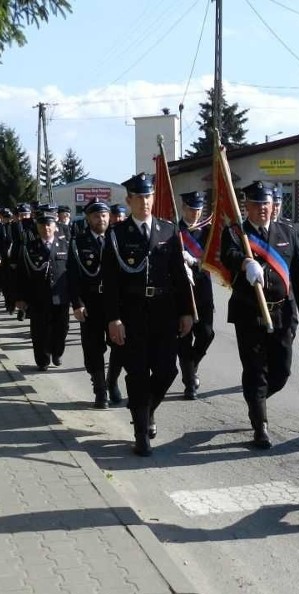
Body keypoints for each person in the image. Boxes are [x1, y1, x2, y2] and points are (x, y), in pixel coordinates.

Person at [103, 173, 194, 456]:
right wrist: (113, 318)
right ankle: (141, 431)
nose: (145, 202)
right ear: (129, 200)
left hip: (164, 312)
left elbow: (180, 275)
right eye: (139, 197)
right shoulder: (117, 235)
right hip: (132, 314)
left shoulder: (168, 231)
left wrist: (187, 312)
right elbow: (111, 281)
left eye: (149, 196)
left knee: (168, 370)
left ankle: (145, 408)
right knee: (138, 373)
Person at [219, 181, 299, 449]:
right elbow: (228, 254)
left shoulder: (287, 231)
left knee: (281, 372)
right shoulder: (237, 232)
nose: (263, 209)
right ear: (246, 205)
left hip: (283, 311)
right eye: (257, 204)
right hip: (250, 313)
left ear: (274, 205)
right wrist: (245, 262)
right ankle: (261, 426)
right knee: (256, 370)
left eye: (267, 203)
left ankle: (254, 399)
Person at [68, 198, 114, 408]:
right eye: (96, 215)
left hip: (114, 303)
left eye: (104, 215)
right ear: (88, 218)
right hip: (91, 303)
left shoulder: (116, 238)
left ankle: (111, 381)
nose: (101, 219)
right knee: (93, 349)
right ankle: (100, 390)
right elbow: (72, 276)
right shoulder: (78, 243)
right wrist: (77, 303)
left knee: (121, 347)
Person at [15, 204, 70, 371]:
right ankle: (42, 359)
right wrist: (20, 298)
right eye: (42, 225)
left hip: (61, 295)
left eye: (49, 225)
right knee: (40, 330)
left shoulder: (65, 245)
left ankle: (57, 352)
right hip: (38, 296)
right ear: (37, 227)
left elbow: (73, 272)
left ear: (55, 226)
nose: (46, 228)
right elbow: (21, 274)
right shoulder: (30, 248)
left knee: (62, 328)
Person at [177, 191, 215, 400]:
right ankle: (189, 383)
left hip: (203, 290)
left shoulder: (207, 231)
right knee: (184, 337)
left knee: (207, 334)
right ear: (184, 208)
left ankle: (192, 364)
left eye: (199, 209)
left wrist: (195, 262)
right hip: (182, 291)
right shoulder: (175, 230)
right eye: (192, 209)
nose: (196, 213)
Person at [104, 203, 129, 404]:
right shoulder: (108, 236)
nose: (119, 219)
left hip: (134, 299)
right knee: (118, 348)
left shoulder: (129, 233)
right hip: (114, 299)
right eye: (116, 216)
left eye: (122, 216)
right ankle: (111, 382)